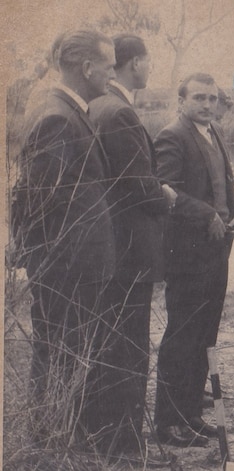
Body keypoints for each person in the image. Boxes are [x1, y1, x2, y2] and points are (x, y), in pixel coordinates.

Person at [12, 30, 117, 444]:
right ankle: (48, 445)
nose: (112, 73)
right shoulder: (57, 116)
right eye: (108, 65)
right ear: (87, 67)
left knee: (64, 353)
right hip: (67, 267)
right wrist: (44, 261)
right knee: (58, 353)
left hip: (72, 264)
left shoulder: (68, 110)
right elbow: (40, 201)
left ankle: (57, 442)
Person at [88, 34, 174, 457]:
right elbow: (134, 186)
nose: (150, 67)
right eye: (148, 59)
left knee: (111, 342)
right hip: (128, 250)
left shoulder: (99, 106)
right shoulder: (119, 111)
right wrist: (166, 196)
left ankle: (106, 437)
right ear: (135, 62)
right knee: (129, 346)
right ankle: (124, 444)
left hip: (109, 251)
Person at [154, 72, 234, 448]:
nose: (208, 105)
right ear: (182, 101)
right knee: (182, 335)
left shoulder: (215, 133)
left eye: (213, 98)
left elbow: (227, 184)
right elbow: (166, 192)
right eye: (199, 98)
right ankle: (168, 422)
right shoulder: (172, 136)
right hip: (187, 255)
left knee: (205, 335)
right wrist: (207, 214)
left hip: (218, 250)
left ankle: (191, 415)